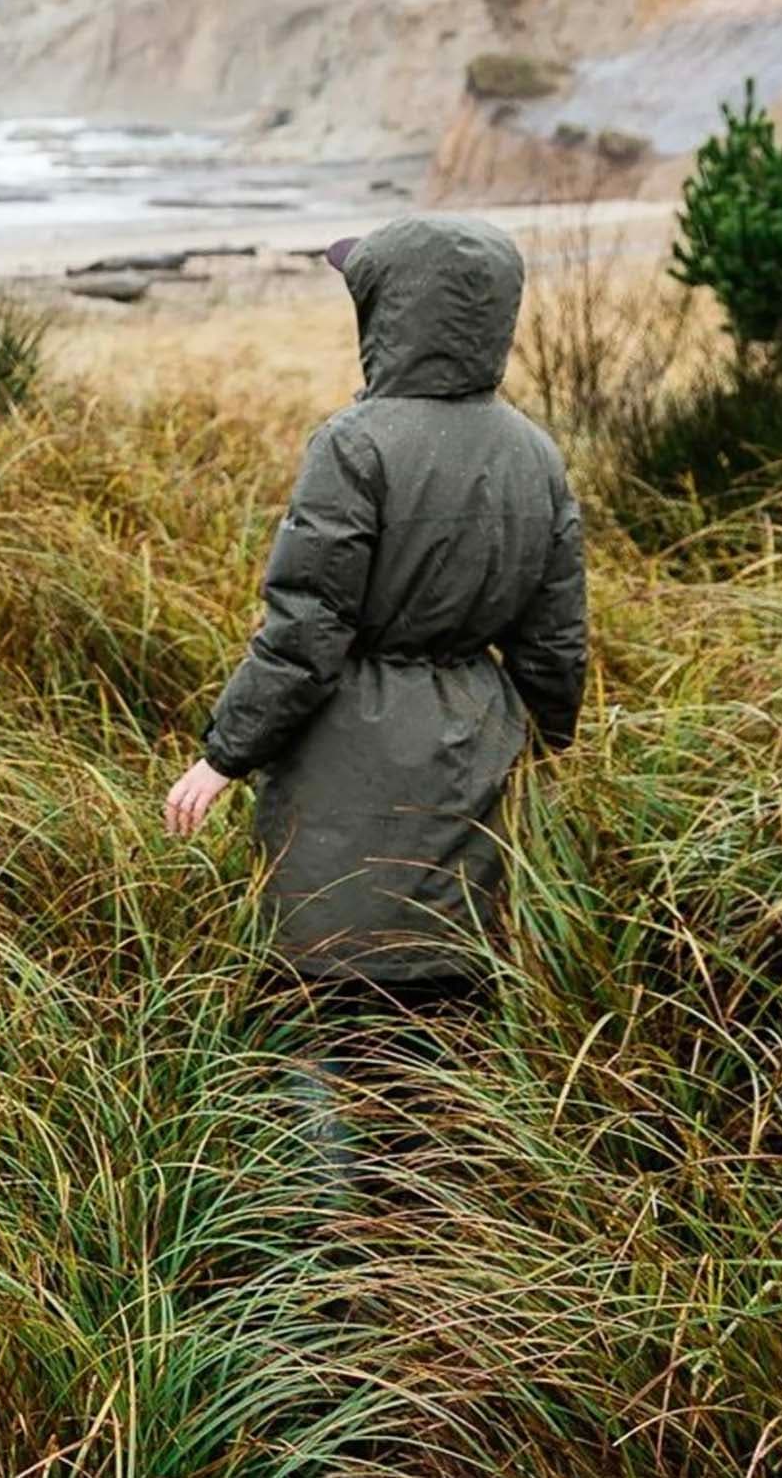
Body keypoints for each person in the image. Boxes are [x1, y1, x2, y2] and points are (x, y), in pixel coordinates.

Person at [161, 213, 588, 1006]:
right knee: (450, 1042)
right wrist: (555, 747)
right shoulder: (537, 453)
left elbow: (304, 635)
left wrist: (223, 755)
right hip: (477, 763)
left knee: (322, 1031)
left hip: (341, 767)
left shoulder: (352, 445)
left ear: (391, 311)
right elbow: (554, 644)